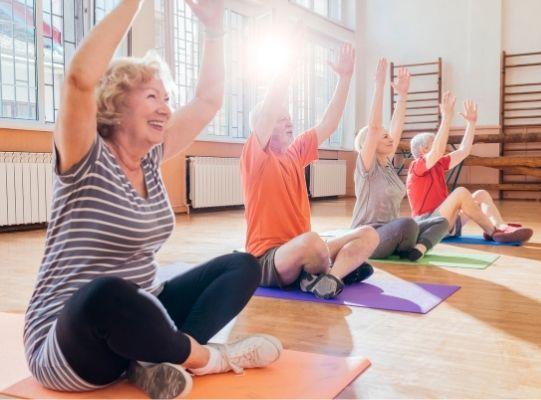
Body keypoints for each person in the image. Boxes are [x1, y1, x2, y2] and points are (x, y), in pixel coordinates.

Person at [24, 0, 281, 398]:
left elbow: (208, 100)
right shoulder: (84, 157)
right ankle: (207, 359)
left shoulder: (151, 158)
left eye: (166, 98)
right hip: (69, 339)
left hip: (143, 315)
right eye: (151, 97)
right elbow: (77, 78)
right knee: (105, 293)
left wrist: (215, 31)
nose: (165, 108)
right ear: (116, 101)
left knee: (243, 266)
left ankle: (158, 361)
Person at [241, 42, 379, 300]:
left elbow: (329, 122)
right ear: (265, 126)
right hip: (267, 260)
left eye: (289, 117)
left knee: (369, 234)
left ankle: (331, 278)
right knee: (313, 242)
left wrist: (345, 78)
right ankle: (328, 272)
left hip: (304, 251)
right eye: (281, 119)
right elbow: (269, 108)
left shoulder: (295, 152)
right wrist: (287, 68)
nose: (289, 121)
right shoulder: (255, 157)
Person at [351, 58, 449, 261]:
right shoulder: (366, 167)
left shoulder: (387, 164)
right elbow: (375, 127)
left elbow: (396, 126)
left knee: (441, 222)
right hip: (368, 237)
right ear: (369, 143)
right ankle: (408, 243)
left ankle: (417, 249)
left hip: (391, 232)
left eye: (388, 136)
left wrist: (403, 96)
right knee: (408, 224)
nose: (389, 138)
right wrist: (379, 86)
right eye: (383, 136)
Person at [406, 92, 534, 243]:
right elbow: (438, 150)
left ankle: (500, 227)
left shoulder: (438, 163)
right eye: (434, 143)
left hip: (445, 221)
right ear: (423, 150)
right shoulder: (417, 166)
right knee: (460, 192)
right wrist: (447, 117)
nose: (442, 145)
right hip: (427, 225)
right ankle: (493, 232)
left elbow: (464, 151)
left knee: (481, 194)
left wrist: (471, 123)